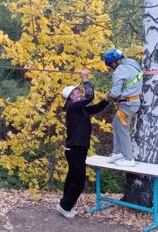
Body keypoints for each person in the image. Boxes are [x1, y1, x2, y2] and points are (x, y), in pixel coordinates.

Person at [57, 70, 110, 218]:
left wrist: (106, 100)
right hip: (75, 149)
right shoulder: (72, 106)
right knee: (79, 180)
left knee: (72, 177)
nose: (78, 91)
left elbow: (95, 107)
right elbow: (89, 96)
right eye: (76, 90)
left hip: (76, 149)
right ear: (71, 97)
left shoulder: (79, 108)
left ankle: (63, 204)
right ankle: (65, 206)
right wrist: (85, 79)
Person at [103, 49, 143, 167]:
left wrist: (109, 94)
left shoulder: (119, 71)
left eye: (111, 65)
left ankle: (129, 159)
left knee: (123, 129)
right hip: (132, 101)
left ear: (114, 63)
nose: (112, 67)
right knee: (116, 124)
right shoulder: (132, 62)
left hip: (128, 104)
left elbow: (115, 93)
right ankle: (117, 152)